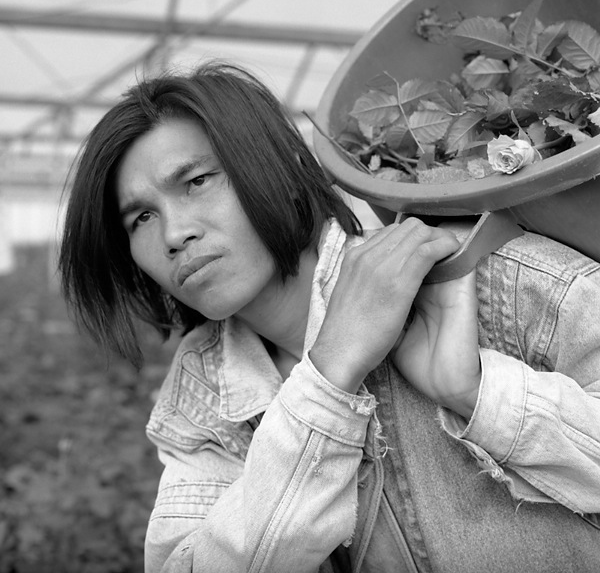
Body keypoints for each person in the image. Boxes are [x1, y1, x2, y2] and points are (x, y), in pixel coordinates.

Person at [58, 60, 600, 573]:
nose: (175, 234)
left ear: (287, 169)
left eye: (197, 181)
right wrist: (330, 371)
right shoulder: (202, 399)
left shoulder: (485, 280)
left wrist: (478, 391)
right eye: (142, 217)